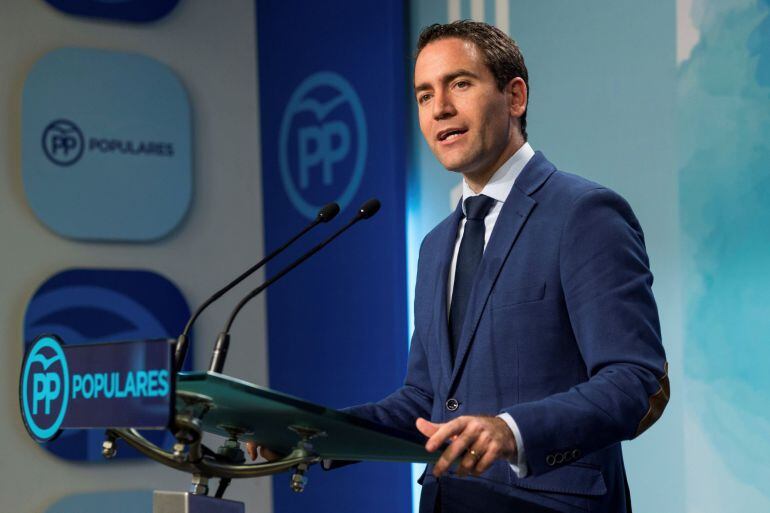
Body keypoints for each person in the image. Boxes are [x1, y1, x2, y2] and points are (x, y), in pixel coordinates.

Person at [251, 20, 669, 513]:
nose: (440, 108)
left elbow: (634, 380)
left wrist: (511, 431)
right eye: (424, 95)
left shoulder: (584, 213)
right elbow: (424, 402)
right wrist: (310, 438)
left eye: (460, 84)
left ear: (515, 97)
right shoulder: (435, 245)